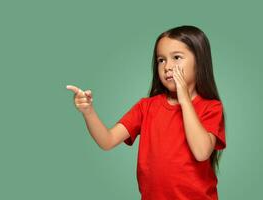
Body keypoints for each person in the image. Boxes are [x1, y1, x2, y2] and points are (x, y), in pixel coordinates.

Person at [66, 25, 227, 200]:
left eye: (177, 57)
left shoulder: (211, 107)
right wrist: (88, 112)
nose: (167, 67)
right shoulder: (146, 107)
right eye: (161, 60)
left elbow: (201, 151)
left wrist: (185, 100)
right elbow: (108, 141)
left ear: (199, 61)